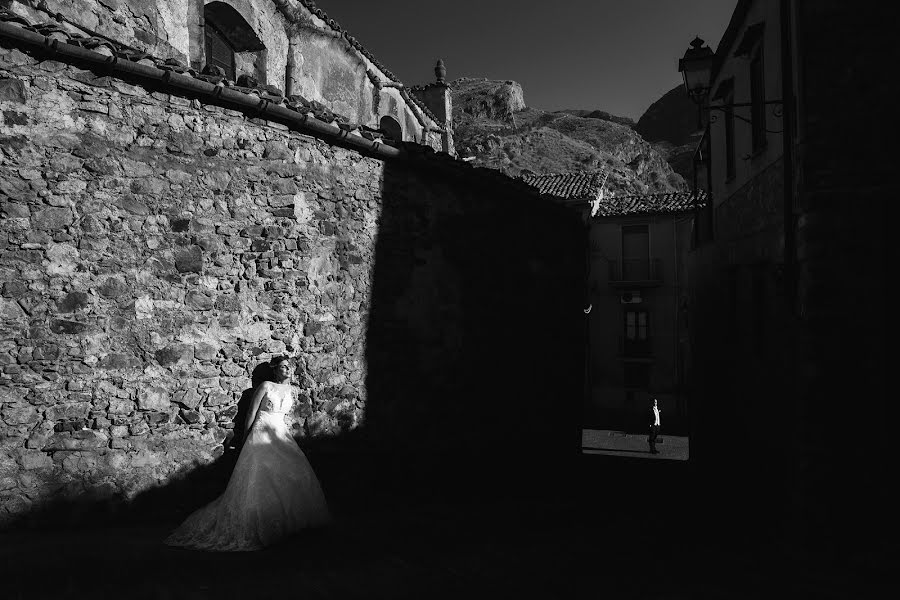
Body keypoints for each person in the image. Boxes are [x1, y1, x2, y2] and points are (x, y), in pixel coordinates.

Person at [165, 355, 331, 551]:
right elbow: (252, 413)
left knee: (292, 473)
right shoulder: (265, 387)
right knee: (259, 476)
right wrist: (246, 437)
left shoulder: (290, 390)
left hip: (279, 432)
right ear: (275, 369)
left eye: (290, 367)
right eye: (284, 367)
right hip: (261, 431)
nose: (288, 370)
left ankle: (288, 524)